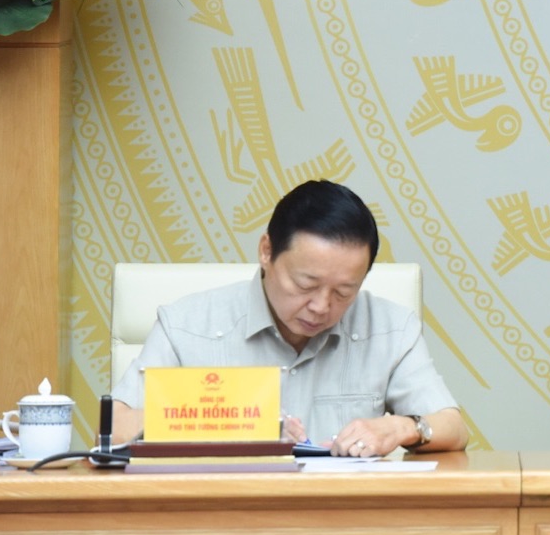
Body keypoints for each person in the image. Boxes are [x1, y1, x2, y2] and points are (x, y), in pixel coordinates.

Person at [112, 180, 467, 455]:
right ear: (267, 251)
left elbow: (453, 427)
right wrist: (232, 423)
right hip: (219, 525)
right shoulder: (187, 325)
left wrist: (402, 428)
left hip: (343, 527)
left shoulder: (390, 328)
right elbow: (115, 428)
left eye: (344, 292)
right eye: (305, 284)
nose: (321, 306)